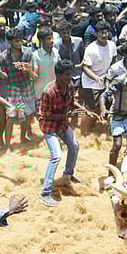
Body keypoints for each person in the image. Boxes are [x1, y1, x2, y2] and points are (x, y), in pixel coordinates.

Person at [39, 59, 98, 206]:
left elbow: (71, 102)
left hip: (62, 124)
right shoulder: (48, 92)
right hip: (50, 126)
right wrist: (67, 115)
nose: (70, 77)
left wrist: (83, 109)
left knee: (74, 146)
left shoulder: (69, 86)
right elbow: (46, 116)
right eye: (67, 74)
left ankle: (68, 175)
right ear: (58, 75)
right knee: (56, 156)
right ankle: (45, 192)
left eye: (70, 73)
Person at [0, 26, 37, 151]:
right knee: (11, 117)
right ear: (10, 42)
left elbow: (33, 76)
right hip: (12, 87)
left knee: (28, 114)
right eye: (16, 41)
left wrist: (27, 69)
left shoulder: (27, 53)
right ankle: (8, 145)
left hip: (26, 86)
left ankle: (23, 137)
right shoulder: (4, 57)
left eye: (20, 40)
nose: (20, 43)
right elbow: (4, 76)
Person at [80, 20, 117, 135]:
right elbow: (85, 67)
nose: (104, 35)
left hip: (105, 81)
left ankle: (100, 128)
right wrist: (96, 78)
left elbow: (114, 61)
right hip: (90, 83)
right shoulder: (91, 49)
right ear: (96, 34)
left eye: (106, 32)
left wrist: (109, 76)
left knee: (106, 104)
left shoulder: (112, 45)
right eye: (101, 33)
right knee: (91, 107)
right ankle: (84, 132)